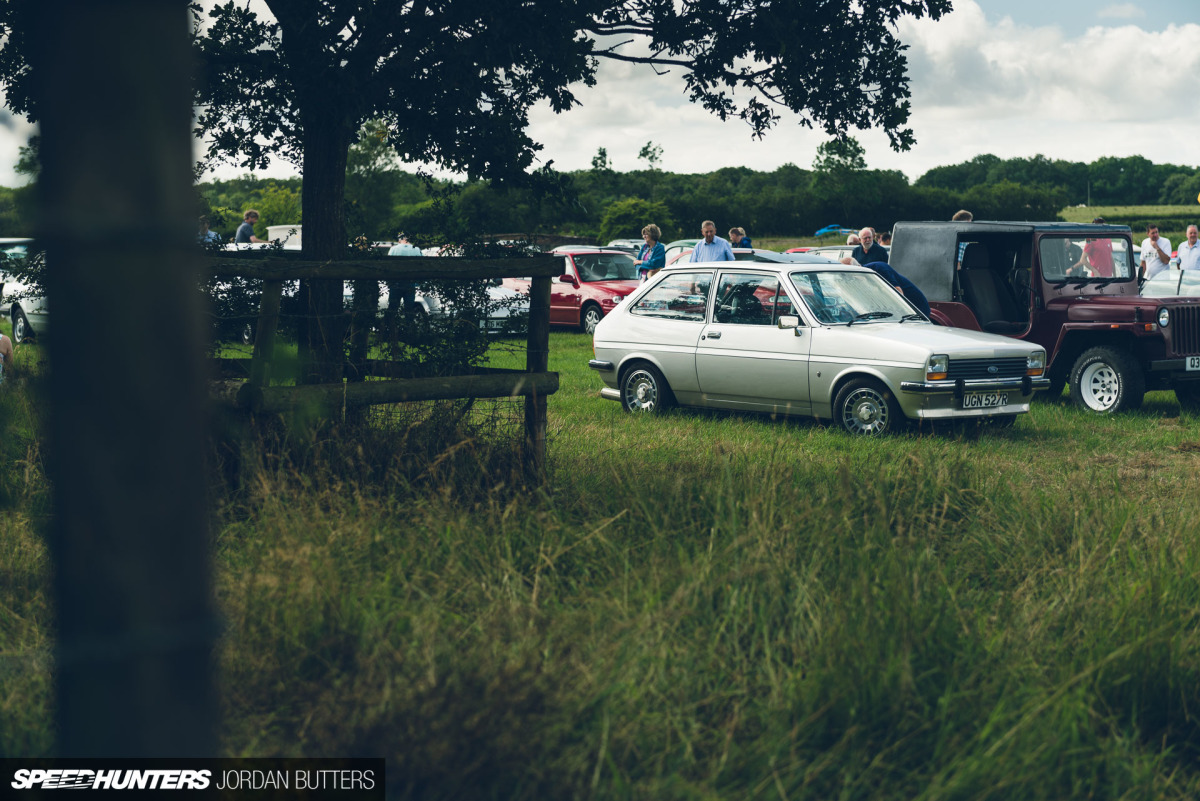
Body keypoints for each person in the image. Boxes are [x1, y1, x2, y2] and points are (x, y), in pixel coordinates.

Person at [842, 257, 930, 317]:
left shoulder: (879, 268)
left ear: (857, 267)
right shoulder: (862, 278)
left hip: (917, 307)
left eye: (849, 276)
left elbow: (898, 293)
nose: (850, 279)